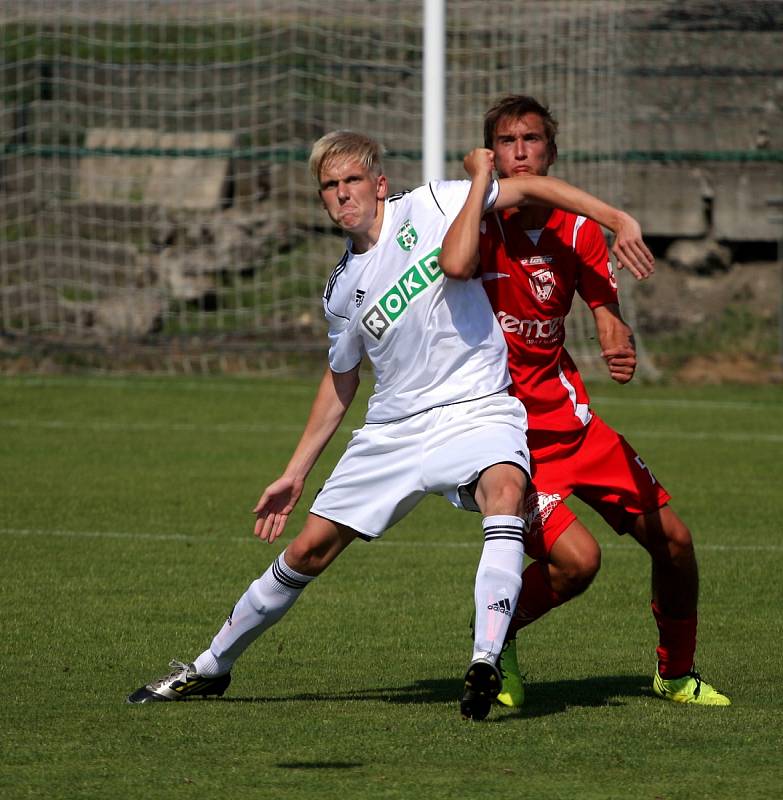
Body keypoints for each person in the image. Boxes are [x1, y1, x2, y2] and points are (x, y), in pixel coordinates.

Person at [127, 129, 653, 720]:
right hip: (394, 431)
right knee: (308, 552)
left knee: (504, 489)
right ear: (322, 199)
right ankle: (210, 667)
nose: (342, 194)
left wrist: (616, 218)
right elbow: (341, 379)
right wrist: (294, 473)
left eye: (353, 180)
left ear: (379, 186)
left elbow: (527, 185)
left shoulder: (430, 205)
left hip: (476, 405)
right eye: (330, 186)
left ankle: (485, 658)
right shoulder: (341, 290)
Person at [439, 94, 730, 707]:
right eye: (508, 142)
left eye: (532, 140)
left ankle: (675, 671)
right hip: (508, 434)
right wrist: (479, 184)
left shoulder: (576, 231)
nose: (521, 151)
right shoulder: (473, 218)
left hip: (573, 423)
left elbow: (606, 315)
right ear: (492, 153)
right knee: (579, 563)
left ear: (551, 151)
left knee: (674, 540)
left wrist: (617, 339)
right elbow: (455, 267)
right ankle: (496, 638)